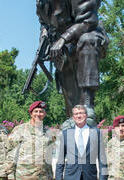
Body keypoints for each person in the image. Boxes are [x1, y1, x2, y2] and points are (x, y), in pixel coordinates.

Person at [35, 0, 109, 129]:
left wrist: (63, 39)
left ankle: (87, 105)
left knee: (87, 40)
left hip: (87, 33)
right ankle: (72, 116)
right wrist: (44, 36)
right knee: (65, 71)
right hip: (62, 43)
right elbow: (44, 22)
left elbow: (88, 21)